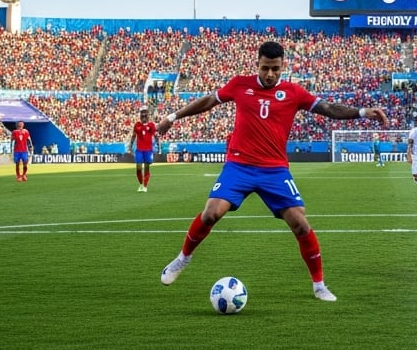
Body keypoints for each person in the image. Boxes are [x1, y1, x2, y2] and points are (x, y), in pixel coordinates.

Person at [155, 41, 388, 302]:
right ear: (257, 64)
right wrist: (171, 118)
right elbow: (209, 100)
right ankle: (182, 259)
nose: (269, 74)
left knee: (300, 223)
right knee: (210, 213)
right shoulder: (240, 84)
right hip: (239, 165)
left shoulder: (294, 92)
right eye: (265, 68)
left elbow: (328, 109)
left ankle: (319, 285)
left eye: (275, 69)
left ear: (282, 66)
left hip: (275, 169)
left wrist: (363, 112)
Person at [128, 107, 158, 192]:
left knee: (147, 167)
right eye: (142, 113)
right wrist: (130, 147)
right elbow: (133, 136)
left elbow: (155, 135)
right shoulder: (137, 125)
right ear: (140, 115)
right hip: (139, 150)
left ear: (148, 114)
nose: (144, 115)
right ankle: (141, 184)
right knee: (138, 167)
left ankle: (145, 186)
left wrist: (158, 146)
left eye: (145, 113)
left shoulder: (151, 125)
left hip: (148, 150)